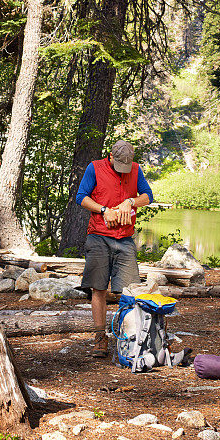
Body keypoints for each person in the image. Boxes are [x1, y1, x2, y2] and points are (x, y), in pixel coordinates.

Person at [75, 139, 153, 358]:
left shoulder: (135, 169)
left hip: (125, 238)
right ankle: (100, 338)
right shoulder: (95, 168)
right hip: (99, 236)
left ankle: (129, 337)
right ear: (111, 157)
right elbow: (81, 197)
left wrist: (131, 201)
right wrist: (103, 210)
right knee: (98, 288)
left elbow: (148, 195)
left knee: (130, 292)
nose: (123, 171)